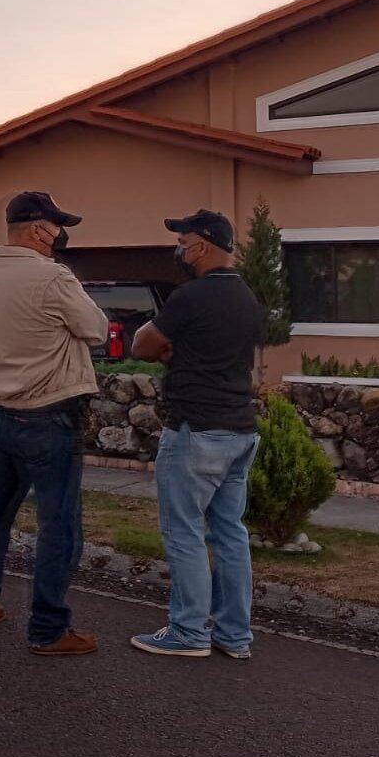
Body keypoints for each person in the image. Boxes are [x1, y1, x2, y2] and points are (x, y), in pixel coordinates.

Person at [0, 191, 108, 656]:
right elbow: (97, 329)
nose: (61, 234)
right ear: (40, 229)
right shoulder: (53, 278)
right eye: (58, 226)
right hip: (49, 416)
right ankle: (47, 629)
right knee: (58, 525)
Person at [128, 209, 265, 660]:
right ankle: (234, 633)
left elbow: (142, 344)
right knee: (230, 532)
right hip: (240, 429)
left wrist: (172, 350)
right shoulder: (247, 297)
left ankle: (188, 632)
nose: (180, 251)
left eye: (183, 242)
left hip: (195, 430)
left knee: (184, 531)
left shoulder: (191, 297)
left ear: (202, 246)